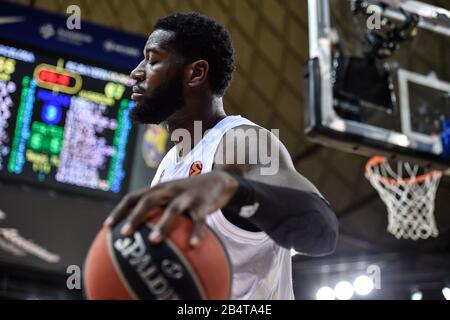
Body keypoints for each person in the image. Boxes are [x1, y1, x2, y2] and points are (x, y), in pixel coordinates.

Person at [104, 12, 338, 300]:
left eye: (152, 60)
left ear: (196, 73)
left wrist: (233, 189)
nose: (136, 72)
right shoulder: (169, 164)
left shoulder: (241, 141)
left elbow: (322, 231)